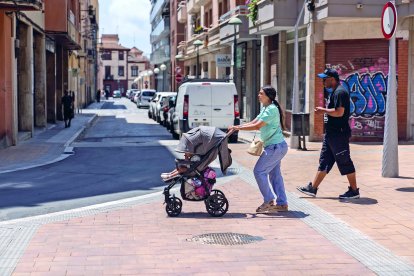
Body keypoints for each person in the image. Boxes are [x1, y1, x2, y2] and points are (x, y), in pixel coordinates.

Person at [297, 68, 360, 199]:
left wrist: (323, 111)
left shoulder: (340, 92)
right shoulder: (334, 92)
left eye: (325, 79)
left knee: (344, 161)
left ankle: (354, 191)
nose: (323, 82)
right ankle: (313, 188)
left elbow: (339, 112)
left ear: (332, 79)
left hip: (339, 134)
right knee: (324, 161)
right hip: (331, 134)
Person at [228, 86, 289, 213]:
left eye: (261, 93)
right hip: (274, 147)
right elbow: (253, 121)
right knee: (275, 175)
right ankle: (282, 203)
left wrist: (237, 128)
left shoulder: (271, 109)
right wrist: (237, 126)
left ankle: (269, 201)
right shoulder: (265, 108)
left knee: (259, 172)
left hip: (275, 147)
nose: (258, 95)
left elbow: (257, 126)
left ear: (268, 96)